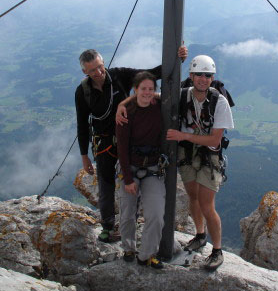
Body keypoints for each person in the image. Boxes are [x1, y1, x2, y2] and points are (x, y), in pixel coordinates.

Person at [75, 46, 186, 243]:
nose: (99, 73)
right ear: (85, 71)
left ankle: (138, 224)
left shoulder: (119, 76)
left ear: (103, 63)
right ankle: (108, 228)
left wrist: (176, 59)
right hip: (105, 143)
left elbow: (150, 75)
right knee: (106, 184)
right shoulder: (83, 92)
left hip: (129, 138)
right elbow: (82, 124)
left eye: (100, 67)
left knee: (135, 177)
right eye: (93, 70)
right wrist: (84, 156)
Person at [166, 55, 233, 271]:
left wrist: (183, 136)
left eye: (208, 75)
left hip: (209, 157)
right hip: (188, 155)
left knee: (206, 204)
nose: (204, 79)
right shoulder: (183, 96)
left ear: (212, 78)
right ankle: (200, 234)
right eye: (200, 75)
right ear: (191, 76)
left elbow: (214, 139)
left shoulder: (219, 102)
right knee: (193, 197)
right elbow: (154, 98)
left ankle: (217, 250)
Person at [115, 72, 165, 268]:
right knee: (127, 212)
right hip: (130, 167)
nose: (147, 92)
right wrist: (127, 179)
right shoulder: (127, 111)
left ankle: (147, 254)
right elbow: (122, 148)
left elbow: (168, 96)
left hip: (152, 167)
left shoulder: (159, 105)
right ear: (135, 90)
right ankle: (128, 247)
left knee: (155, 213)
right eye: (143, 89)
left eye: (151, 89)